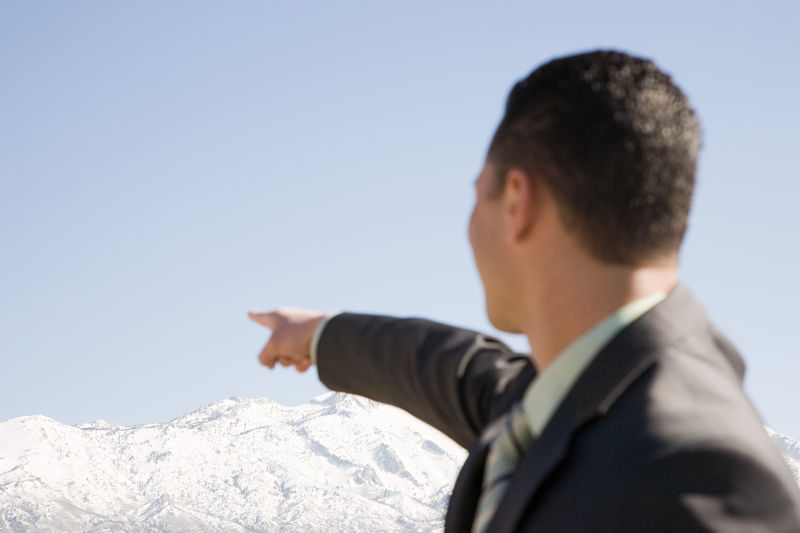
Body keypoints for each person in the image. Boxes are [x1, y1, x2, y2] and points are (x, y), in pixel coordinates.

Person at [248, 50, 800, 532]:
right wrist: (321, 335)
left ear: (517, 203)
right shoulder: (570, 396)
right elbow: (452, 368)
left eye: (476, 196)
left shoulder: (700, 475)